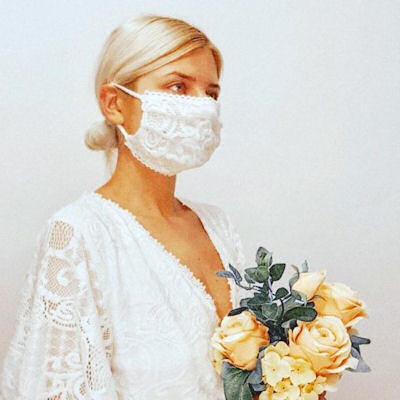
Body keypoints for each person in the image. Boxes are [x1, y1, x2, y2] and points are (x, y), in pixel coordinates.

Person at [0, 14, 250, 400]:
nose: (201, 107)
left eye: (211, 93)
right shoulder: (78, 234)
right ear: (115, 104)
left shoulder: (218, 224)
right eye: (178, 86)